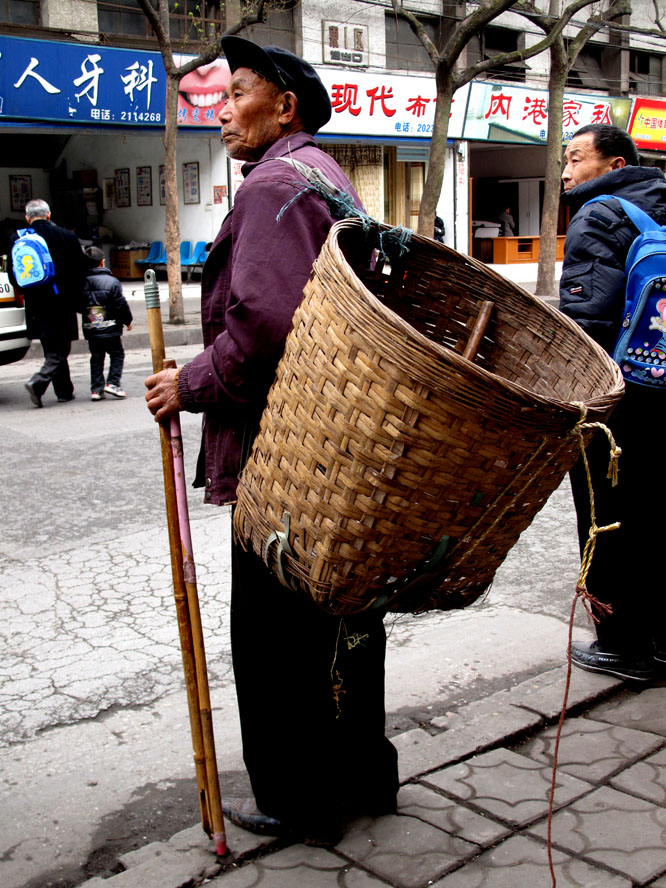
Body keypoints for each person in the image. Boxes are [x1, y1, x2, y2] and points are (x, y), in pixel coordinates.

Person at [144, 37, 398, 846]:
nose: (221, 109)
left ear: (284, 107)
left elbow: (266, 330)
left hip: (286, 455)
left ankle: (298, 797)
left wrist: (188, 384)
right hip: (341, 447)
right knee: (345, 622)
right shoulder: (328, 177)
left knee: (277, 635)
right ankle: (361, 774)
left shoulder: (272, 188)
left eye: (238, 93)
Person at [559, 123, 666, 681]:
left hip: (623, 409)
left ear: (617, 165)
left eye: (576, 158)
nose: (567, 171)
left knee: (609, 519)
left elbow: (587, 329)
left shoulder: (600, 216)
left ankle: (622, 645)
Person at [8, 198, 87, 407]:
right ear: (49, 214)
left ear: (27, 218)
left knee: (50, 346)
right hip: (61, 301)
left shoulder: (18, 238)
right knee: (61, 349)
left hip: (35, 303)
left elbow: (13, 273)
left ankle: (64, 391)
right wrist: (81, 302)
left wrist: (25, 291)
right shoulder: (67, 236)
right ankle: (39, 381)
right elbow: (80, 271)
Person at [82, 245, 133, 400]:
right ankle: (112, 382)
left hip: (91, 328)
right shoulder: (112, 282)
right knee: (117, 354)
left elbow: (78, 305)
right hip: (111, 327)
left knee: (96, 357)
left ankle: (96, 389)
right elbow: (121, 304)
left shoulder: (81, 283)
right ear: (103, 262)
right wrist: (127, 320)